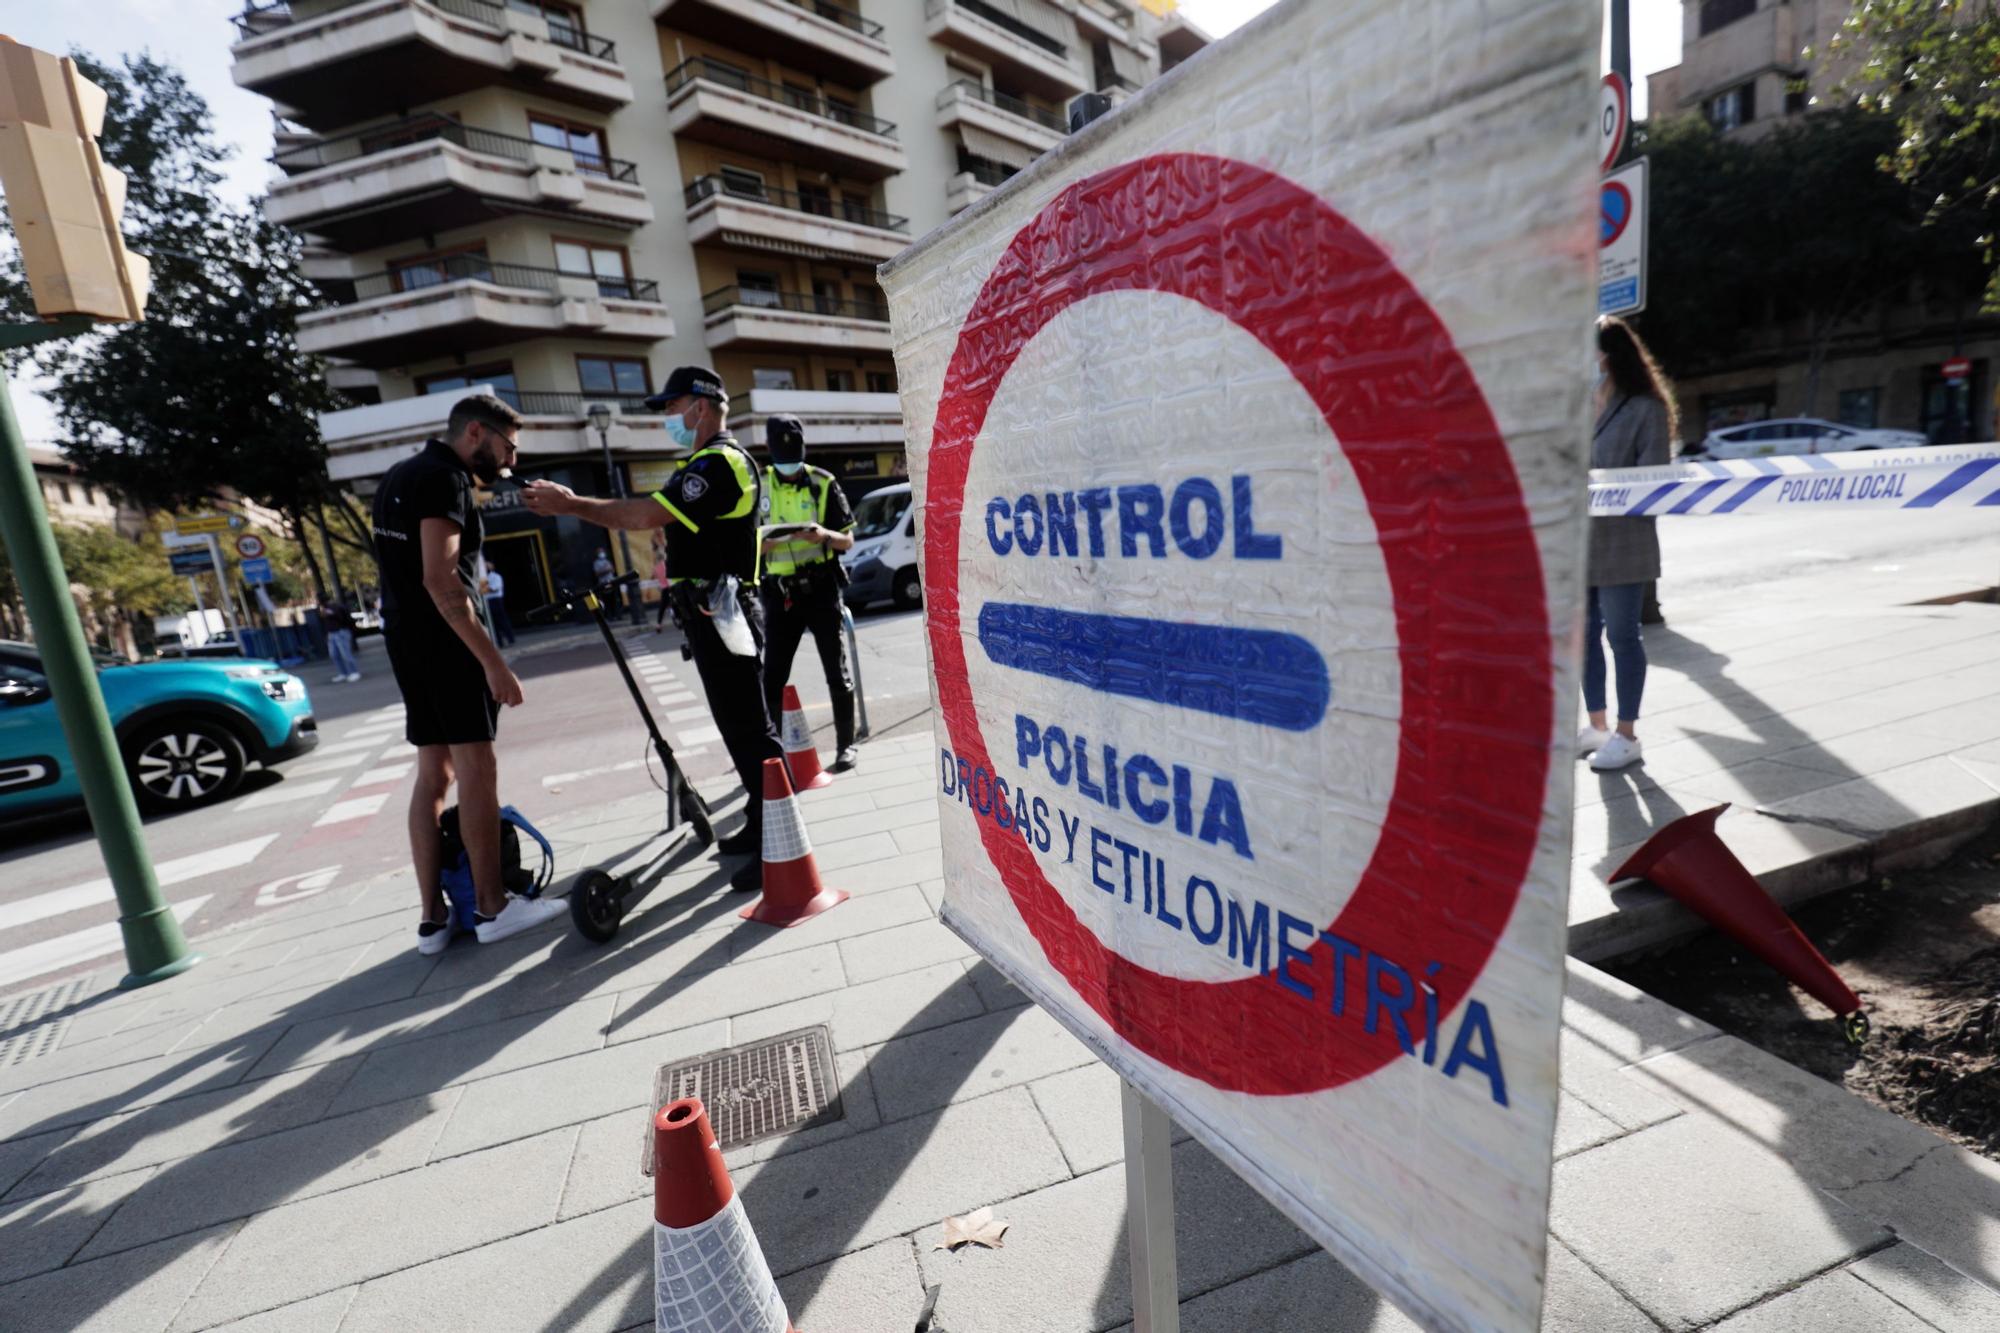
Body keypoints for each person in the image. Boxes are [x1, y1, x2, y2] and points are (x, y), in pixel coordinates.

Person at [524, 366, 782, 892]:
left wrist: (572, 505)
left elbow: (644, 516)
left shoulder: (717, 464)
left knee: (752, 730)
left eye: (672, 407)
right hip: (714, 611)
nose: (669, 417)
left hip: (725, 611)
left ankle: (779, 841)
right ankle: (761, 825)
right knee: (738, 728)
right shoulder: (710, 462)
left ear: (702, 405)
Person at [372, 394, 566, 952]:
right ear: (476, 433)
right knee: (478, 768)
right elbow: (441, 579)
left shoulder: (397, 477)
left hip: (405, 640)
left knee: (434, 774)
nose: (510, 462)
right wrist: (494, 663)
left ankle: (432, 920)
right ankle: (492, 908)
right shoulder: (446, 479)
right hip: (448, 645)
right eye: (508, 448)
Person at [1579, 316, 1676, 772]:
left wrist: (1607, 488)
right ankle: (1596, 725)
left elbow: (1653, 479)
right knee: (1583, 639)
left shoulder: (1645, 408)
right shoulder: (1579, 405)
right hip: (1580, 542)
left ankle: (1626, 733)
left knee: (1622, 636)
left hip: (1624, 542)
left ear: (1608, 355)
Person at [758, 414, 860, 772]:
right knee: (772, 677)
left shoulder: (823, 482)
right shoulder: (758, 485)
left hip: (820, 590)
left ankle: (846, 746)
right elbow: (742, 543)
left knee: (836, 669)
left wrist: (824, 536)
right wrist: (761, 546)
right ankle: (772, 755)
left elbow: (847, 540)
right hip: (779, 594)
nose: (788, 464)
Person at [321, 595, 361, 683]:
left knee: (345, 653)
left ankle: (354, 672)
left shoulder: (335, 607)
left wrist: (330, 614)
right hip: (333, 633)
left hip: (340, 632)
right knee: (334, 655)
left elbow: (341, 618)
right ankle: (344, 673)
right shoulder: (329, 608)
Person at [483, 566, 516, 646]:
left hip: (496, 600)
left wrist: (484, 590)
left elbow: (494, 588)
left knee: (502, 620)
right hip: (487, 601)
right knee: (493, 623)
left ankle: (510, 638)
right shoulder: (483, 579)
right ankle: (499, 642)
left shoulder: (496, 577)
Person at [592, 547, 618, 614]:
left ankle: (616, 614)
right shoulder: (596, 563)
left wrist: (609, 569)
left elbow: (612, 570)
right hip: (603, 583)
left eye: (602, 551)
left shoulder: (607, 561)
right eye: (600, 552)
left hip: (612, 582)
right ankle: (609, 615)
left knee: (614, 599)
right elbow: (597, 573)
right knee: (607, 600)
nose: (602, 553)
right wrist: (606, 570)